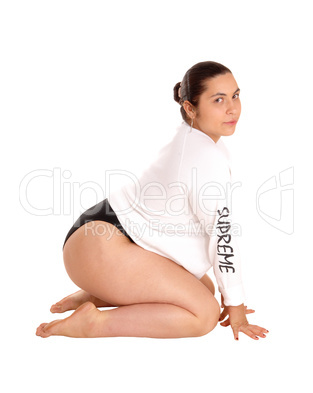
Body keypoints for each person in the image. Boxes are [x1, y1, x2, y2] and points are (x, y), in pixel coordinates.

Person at [36, 61, 268, 341]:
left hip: (105, 237)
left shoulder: (196, 138)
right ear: (190, 108)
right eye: (218, 99)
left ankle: (101, 292)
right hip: (98, 247)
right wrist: (237, 306)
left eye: (235, 95)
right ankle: (94, 323)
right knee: (203, 314)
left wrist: (230, 296)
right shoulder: (204, 158)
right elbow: (222, 234)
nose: (232, 108)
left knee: (203, 291)